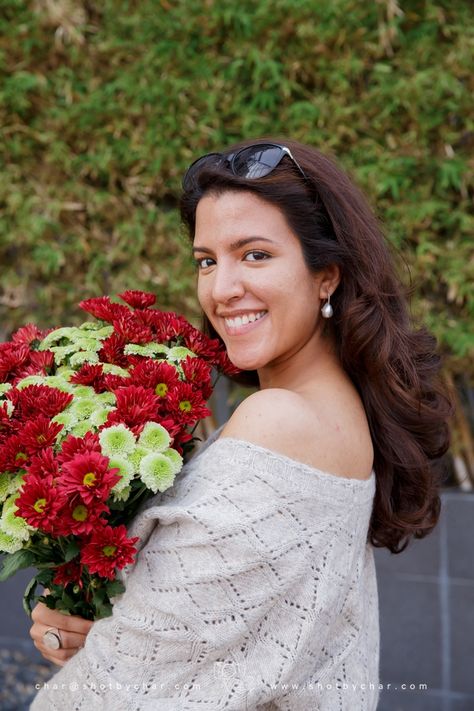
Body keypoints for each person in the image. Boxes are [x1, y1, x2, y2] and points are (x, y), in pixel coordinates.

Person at [29, 140, 451, 710]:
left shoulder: (281, 422)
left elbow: (118, 686)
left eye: (254, 254)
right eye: (208, 259)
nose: (221, 290)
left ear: (326, 273)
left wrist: (89, 641)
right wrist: (84, 621)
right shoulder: (331, 412)